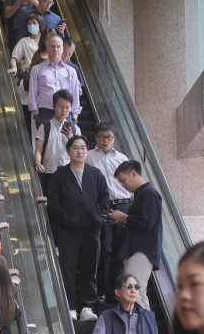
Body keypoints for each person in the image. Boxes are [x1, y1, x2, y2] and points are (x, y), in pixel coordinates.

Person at [47, 135, 108, 322]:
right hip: (68, 232)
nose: (79, 151)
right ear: (68, 151)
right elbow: (54, 203)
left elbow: (104, 198)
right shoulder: (60, 175)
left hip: (92, 230)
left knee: (90, 269)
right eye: (75, 148)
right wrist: (64, 218)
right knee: (68, 269)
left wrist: (100, 217)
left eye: (83, 147)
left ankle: (87, 307)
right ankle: (71, 307)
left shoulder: (95, 174)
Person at [86, 123, 132, 302]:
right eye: (101, 137)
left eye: (109, 137)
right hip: (102, 207)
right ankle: (103, 291)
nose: (105, 140)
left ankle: (117, 291)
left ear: (114, 138)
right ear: (96, 138)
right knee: (104, 249)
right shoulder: (88, 157)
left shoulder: (122, 158)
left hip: (124, 205)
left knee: (121, 252)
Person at [109, 161, 164, 311]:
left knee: (133, 294)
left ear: (133, 173)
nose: (123, 185)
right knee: (137, 294)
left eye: (123, 180)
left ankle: (144, 331)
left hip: (141, 250)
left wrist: (124, 217)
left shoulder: (149, 194)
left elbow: (147, 222)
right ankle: (145, 331)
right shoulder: (144, 194)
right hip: (139, 250)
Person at [29, 33, 82, 122]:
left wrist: (74, 118)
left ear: (62, 49)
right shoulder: (36, 69)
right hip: (45, 115)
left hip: (66, 115)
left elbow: (75, 96)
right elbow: (32, 95)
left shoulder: (71, 71)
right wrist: (36, 116)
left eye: (58, 47)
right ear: (46, 49)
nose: (55, 49)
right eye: (52, 46)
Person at [33, 89, 79, 181]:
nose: (64, 111)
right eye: (61, 107)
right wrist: (37, 162)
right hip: (48, 171)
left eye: (67, 107)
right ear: (53, 106)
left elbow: (78, 151)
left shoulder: (75, 129)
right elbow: (38, 149)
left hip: (69, 172)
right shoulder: (44, 127)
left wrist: (71, 138)